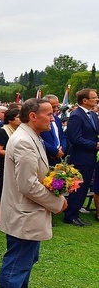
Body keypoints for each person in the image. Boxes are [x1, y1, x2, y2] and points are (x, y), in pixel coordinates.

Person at [0, 99, 67, 288]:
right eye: (48, 114)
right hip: (24, 211)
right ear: (32, 116)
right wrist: (56, 202)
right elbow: (28, 184)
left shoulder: (30, 137)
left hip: (27, 211)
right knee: (17, 261)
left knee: (26, 259)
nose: (52, 118)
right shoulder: (24, 140)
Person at [62, 88, 98, 227]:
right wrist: (95, 145)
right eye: (94, 97)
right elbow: (75, 138)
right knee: (78, 188)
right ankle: (70, 215)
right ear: (85, 100)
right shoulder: (76, 115)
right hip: (80, 158)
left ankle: (75, 213)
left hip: (90, 158)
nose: (97, 99)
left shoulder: (93, 115)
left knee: (84, 188)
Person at [0, 108, 20, 226]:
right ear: (10, 119)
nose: (20, 120)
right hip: (3, 165)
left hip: (15, 166)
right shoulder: (2, 132)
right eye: (18, 117)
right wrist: (16, 154)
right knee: (0, 192)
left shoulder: (19, 131)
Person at [40, 95, 66, 167]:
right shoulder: (40, 121)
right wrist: (55, 151)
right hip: (46, 158)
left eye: (57, 106)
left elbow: (62, 137)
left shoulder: (57, 120)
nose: (56, 109)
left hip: (59, 159)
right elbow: (39, 139)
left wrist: (62, 149)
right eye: (53, 107)